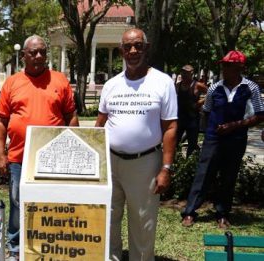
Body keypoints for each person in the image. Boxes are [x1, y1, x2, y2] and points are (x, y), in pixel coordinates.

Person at [94, 28, 178, 261]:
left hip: (145, 162)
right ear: (121, 50)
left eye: (138, 46)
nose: (133, 51)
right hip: (110, 162)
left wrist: (166, 168)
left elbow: (170, 127)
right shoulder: (111, 85)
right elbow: (100, 124)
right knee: (108, 216)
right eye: (128, 47)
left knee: (143, 221)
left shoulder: (162, 82)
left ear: (146, 48)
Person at [0, 35, 79, 261]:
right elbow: (1, 121)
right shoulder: (12, 83)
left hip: (54, 160)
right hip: (19, 158)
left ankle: (49, 244)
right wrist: (0, 154)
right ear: (24, 56)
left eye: (42, 51)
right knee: (17, 203)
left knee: (51, 203)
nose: (39, 56)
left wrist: (72, 147)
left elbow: (71, 116)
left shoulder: (60, 80)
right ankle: (15, 248)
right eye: (33, 52)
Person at [181, 50, 264, 229]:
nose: (224, 69)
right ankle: (189, 212)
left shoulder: (251, 88)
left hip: (236, 138)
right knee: (203, 174)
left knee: (229, 176)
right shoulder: (214, 87)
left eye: (228, 65)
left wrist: (234, 125)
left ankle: (222, 213)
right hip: (213, 138)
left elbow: (259, 115)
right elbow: (208, 110)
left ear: (239, 67)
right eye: (223, 65)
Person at [176, 65, 208, 157]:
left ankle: (189, 165)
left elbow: (210, 93)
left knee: (192, 144)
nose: (184, 75)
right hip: (180, 118)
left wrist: (199, 103)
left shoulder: (198, 85)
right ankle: (175, 163)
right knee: (175, 142)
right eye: (183, 72)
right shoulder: (178, 85)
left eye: (186, 73)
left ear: (191, 73)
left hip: (193, 119)